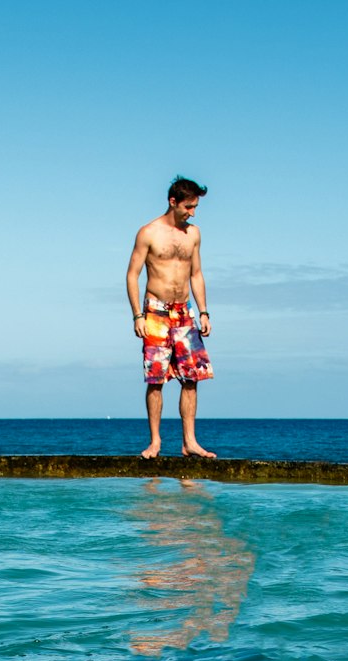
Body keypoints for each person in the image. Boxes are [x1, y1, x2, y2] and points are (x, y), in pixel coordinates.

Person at [126, 176, 215, 459]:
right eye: (188, 207)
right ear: (172, 202)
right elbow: (132, 275)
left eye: (195, 207)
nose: (193, 212)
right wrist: (137, 315)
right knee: (156, 379)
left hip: (184, 311)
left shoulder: (194, 234)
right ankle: (155, 442)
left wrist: (203, 311)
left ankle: (189, 441)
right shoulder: (148, 232)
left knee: (192, 378)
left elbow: (196, 274)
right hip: (155, 311)